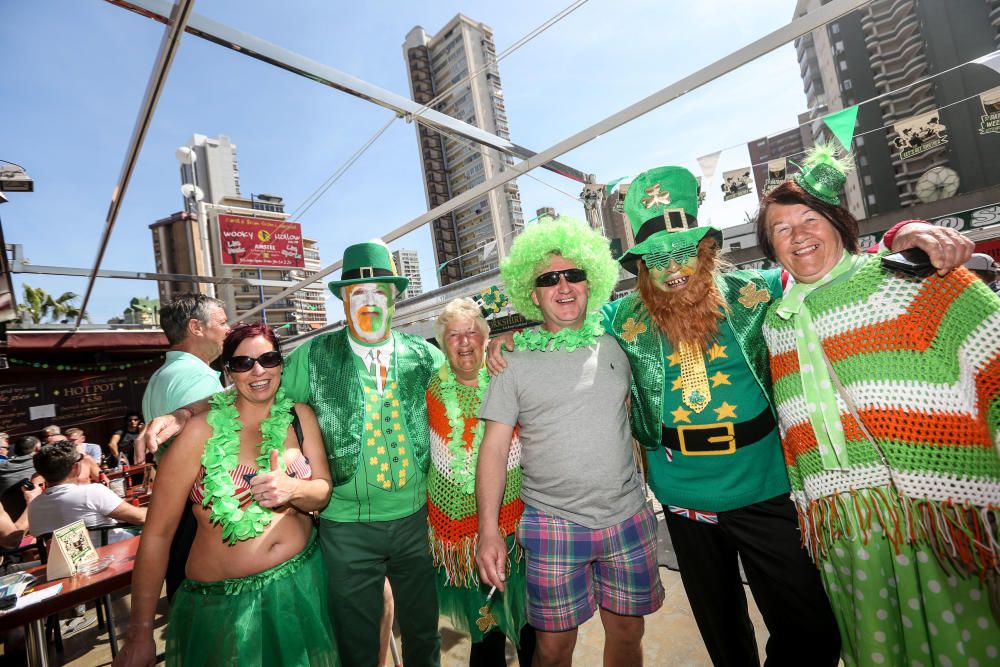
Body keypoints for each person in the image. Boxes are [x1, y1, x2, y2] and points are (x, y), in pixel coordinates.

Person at [487, 169, 971, 666]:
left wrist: (902, 235)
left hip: (765, 489)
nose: (673, 270)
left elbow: (830, 266)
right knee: (723, 635)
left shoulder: (758, 292)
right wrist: (509, 337)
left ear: (706, 251)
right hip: (683, 501)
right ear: (641, 269)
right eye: (656, 260)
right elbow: (563, 317)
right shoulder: (622, 317)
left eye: (683, 253)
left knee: (810, 628)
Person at [140, 241, 444, 667]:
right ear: (343, 301)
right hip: (344, 525)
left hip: (415, 518)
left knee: (423, 633)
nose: (370, 302)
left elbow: (463, 391)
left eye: (380, 292)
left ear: (395, 298)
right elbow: (253, 387)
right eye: (358, 293)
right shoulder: (311, 358)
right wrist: (188, 411)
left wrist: (494, 354)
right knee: (356, 642)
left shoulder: (426, 356)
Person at [755, 145, 1000, 665]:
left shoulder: (905, 279)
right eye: (781, 229)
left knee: (959, 647)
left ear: (840, 225)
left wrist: (904, 234)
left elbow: (993, 367)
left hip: (930, 513)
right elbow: (792, 435)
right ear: (771, 249)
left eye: (810, 218)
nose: (798, 235)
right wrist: (804, 499)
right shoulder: (777, 324)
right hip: (843, 526)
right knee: (876, 650)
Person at [477, 216, 664, 667]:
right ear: (532, 292)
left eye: (574, 274)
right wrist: (487, 531)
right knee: (554, 649)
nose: (563, 285)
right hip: (553, 524)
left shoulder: (619, 343)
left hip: (627, 517)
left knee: (626, 634)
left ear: (591, 281)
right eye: (548, 278)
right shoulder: (513, 361)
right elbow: (494, 451)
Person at [115, 323, 338, 667]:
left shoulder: (299, 415)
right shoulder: (196, 434)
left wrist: (293, 488)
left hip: (303, 584)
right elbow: (158, 535)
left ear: (281, 363)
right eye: (243, 363)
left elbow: (321, 491)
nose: (258, 370)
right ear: (228, 372)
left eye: (268, 358)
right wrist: (140, 632)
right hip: (223, 607)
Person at [428, 298, 535, 666]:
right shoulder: (430, 391)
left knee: (530, 631)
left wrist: (511, 336)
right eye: (454, 335)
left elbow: (545, 335)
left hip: (518, 530)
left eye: (471, 332)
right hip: (462, 540)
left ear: (485, 338)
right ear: (444, 345)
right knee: (485, 638)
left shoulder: (510, 376)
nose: (463, 342)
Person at [141, 292, 228, 601]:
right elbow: (219, 458)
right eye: (222, 322)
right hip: (206, 519)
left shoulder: (160, 378)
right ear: (196, 327)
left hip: (179, 514)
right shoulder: (195, 377)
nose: (228, 330)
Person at [28, 441, 146, 544]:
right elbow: (141, 518)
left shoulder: (34, 506)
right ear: (76, 467)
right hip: (118, 555)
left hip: (72, 566)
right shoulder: (92, 492)